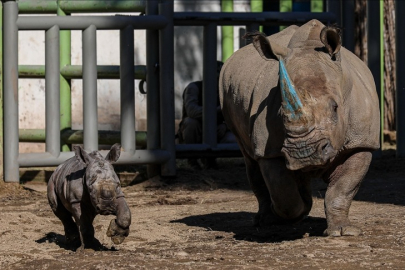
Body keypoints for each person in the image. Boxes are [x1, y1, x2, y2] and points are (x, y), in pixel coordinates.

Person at [177, 61, 236, 170]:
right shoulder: (194, 88)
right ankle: (192, 160)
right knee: (191, 123)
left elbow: (235, 116)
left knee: (233, 138)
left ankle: (210, 159)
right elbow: (192, 112)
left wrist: (225, 126)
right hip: (197, 130)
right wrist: (219, 110)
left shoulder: (225, 91)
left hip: (216, 130)